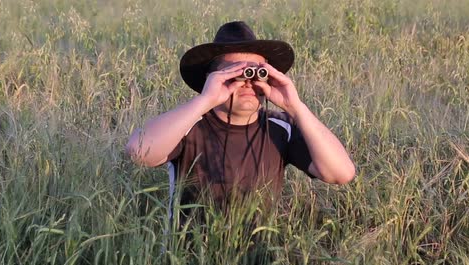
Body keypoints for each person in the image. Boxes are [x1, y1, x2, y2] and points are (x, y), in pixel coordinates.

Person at [125, 21, 355, 217]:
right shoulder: (189, 124)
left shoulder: (280, 127)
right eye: (235, 72)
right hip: (190, 264)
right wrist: (205, 100)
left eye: (257, 72)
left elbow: (341, 174)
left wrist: (295, 107)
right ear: (214, 78)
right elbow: (139, 152)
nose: (247, 81)